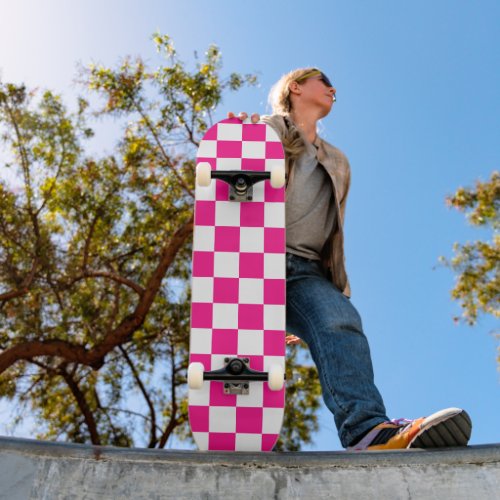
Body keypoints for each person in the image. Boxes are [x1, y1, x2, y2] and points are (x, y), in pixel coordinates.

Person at [228, 67, 472, 450]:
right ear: (295, 87)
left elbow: (331, 229)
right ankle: (242, 434)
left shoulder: (338, 161)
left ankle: (367, 432)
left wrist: (317, 295)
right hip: (256, 257)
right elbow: (230, 175)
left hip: (306, 271)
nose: (332, 89)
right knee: (248, 357)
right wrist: (236, 142)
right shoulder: (264, 130)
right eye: (323, 82)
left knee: (340, 320)